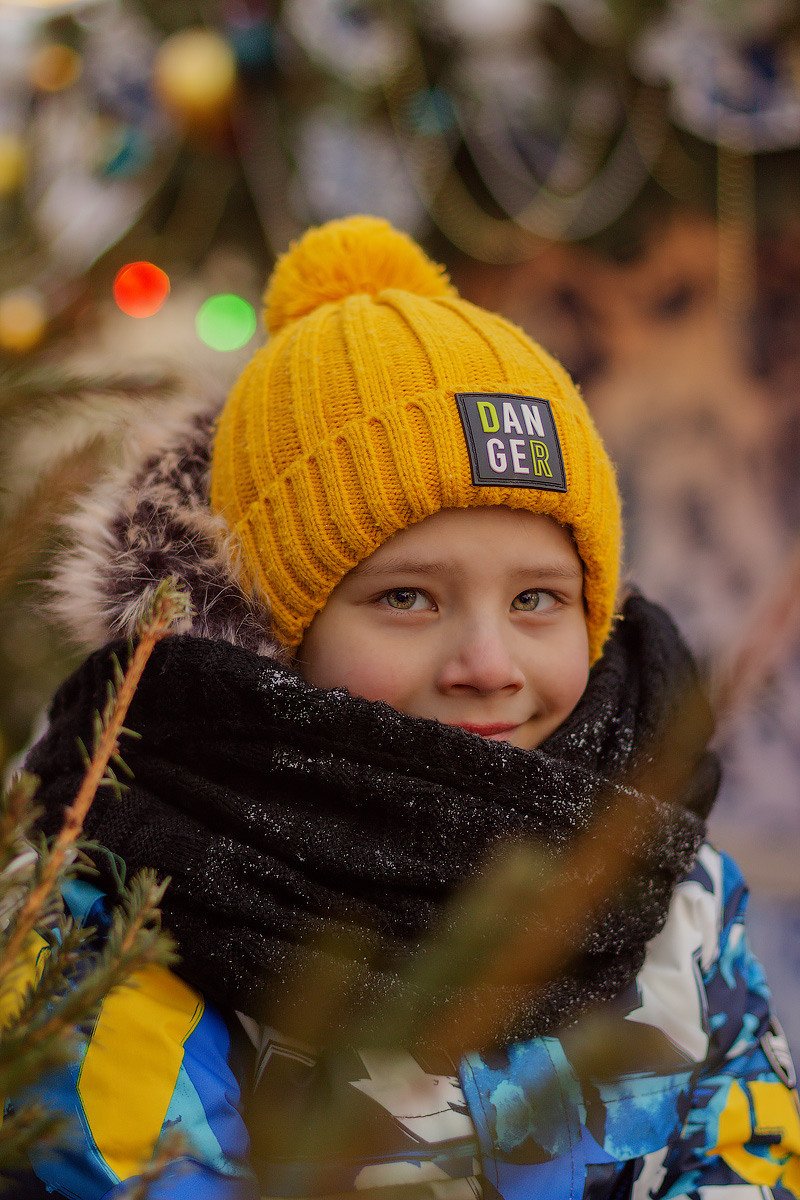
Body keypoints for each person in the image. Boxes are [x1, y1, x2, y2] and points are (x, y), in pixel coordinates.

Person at [10, 215, 800, 1199]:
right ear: (273, 628)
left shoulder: (661, 874)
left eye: (535, 600)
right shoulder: (142, 893)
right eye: (405, 598)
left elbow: (745, 1153)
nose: (485, 661)